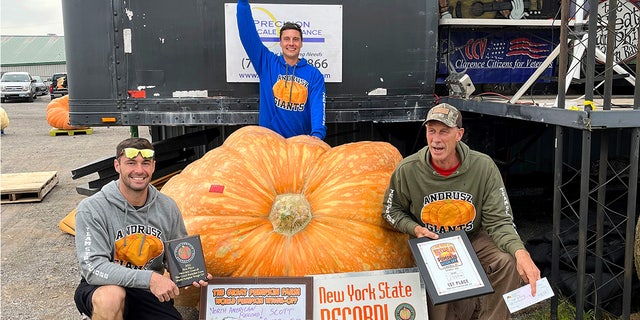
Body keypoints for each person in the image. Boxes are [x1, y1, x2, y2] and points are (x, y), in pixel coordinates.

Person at [382, 103, 540, 320]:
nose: (436, 139)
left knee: (506, 261)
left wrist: (521, 253)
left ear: (459, 134)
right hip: (432, 243)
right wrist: (415, 228)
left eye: (444, 132)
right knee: (441, 297)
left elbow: (499, 221)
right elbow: (391, 211)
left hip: (473, 237)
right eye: (431, 131)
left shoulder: (483, 167)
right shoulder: (408, 170)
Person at [74, 137, 212, 320]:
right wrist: (150, 279)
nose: (139, 170)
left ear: (153, 166)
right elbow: (93, 267)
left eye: (145, 163)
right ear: (117, 166)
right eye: (131, 163)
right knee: (111, 298)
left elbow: (177, 254)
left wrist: (190, 271)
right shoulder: (92, 208)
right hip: (103, 285)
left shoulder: (167, 206)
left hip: (147, 292)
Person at [236, 0, 327, 139]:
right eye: (287, 39)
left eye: (295, 39)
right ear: (281, 42)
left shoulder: (314, 75)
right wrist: (243, 3)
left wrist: (317, 135)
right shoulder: (266, 63)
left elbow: (317, 108)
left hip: (300, 143)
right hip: (270, 141)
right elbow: (247, 33)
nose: (291, 43)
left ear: (301, 43)